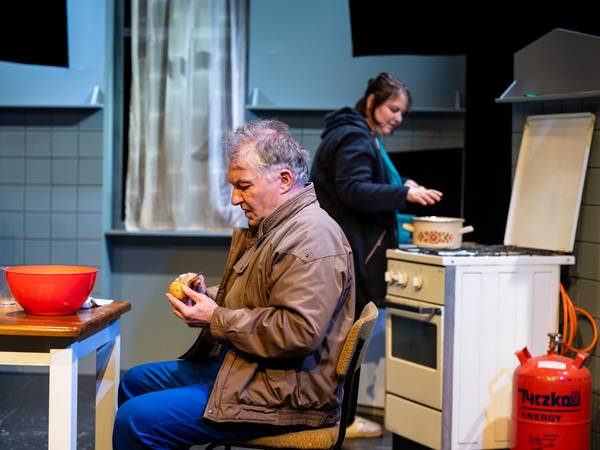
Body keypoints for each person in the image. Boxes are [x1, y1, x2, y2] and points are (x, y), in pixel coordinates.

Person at [113, 119, 355, 449]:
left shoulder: (312, 239)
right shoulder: (278, 228)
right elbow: (259, 298)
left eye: (243, 186)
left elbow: (298, 331)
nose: (234, 199)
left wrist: (215, 318)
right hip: (260, 372)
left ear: (283, 179)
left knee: (136, 419)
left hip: (289, 394)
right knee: (134, 382)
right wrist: (205, 297)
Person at [310, 73, 443, 438]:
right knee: (342, 341)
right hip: (352, 252)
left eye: (402, 112)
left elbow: (365, 183)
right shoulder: (354, 135)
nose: (398, 118)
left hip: (348, 250)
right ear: (372, 102)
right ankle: (339, 422)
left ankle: (338, 419)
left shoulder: (355, 132)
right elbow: (353, 190)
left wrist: (404, 188)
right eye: (393, 108)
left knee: (340, 338)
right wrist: (405, 195)